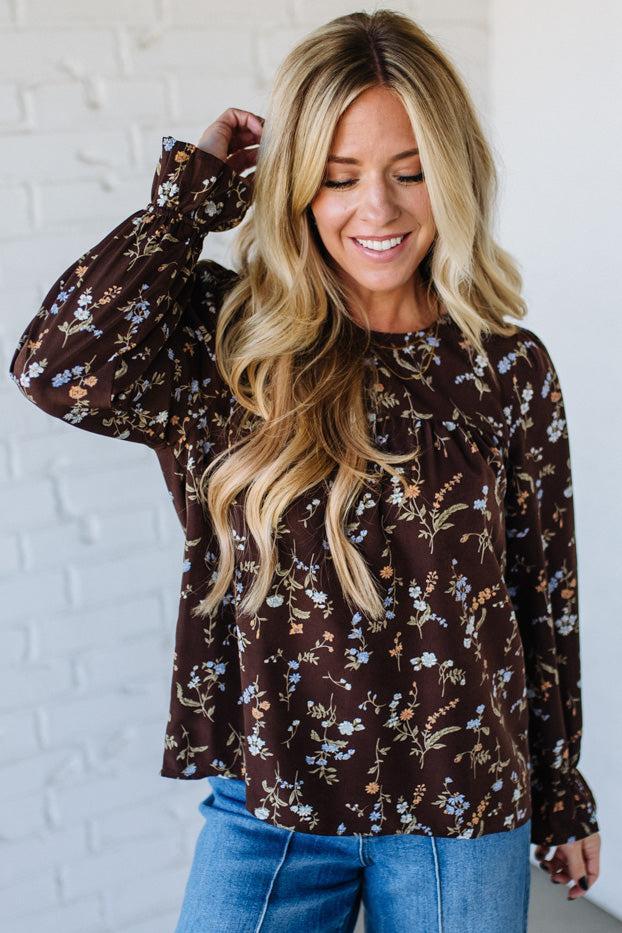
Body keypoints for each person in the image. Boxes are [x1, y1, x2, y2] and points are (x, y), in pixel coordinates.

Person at [8, 9, 600, 932]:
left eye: (410, 172)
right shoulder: (228, 344)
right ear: (294, 186)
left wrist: (562, 789)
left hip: (464, 803)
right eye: (339, 175)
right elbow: (56, 368)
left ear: (453, 173)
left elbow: (542, 590)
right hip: (271, 805)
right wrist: (189, 199)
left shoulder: (507, 365)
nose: (380, 210)